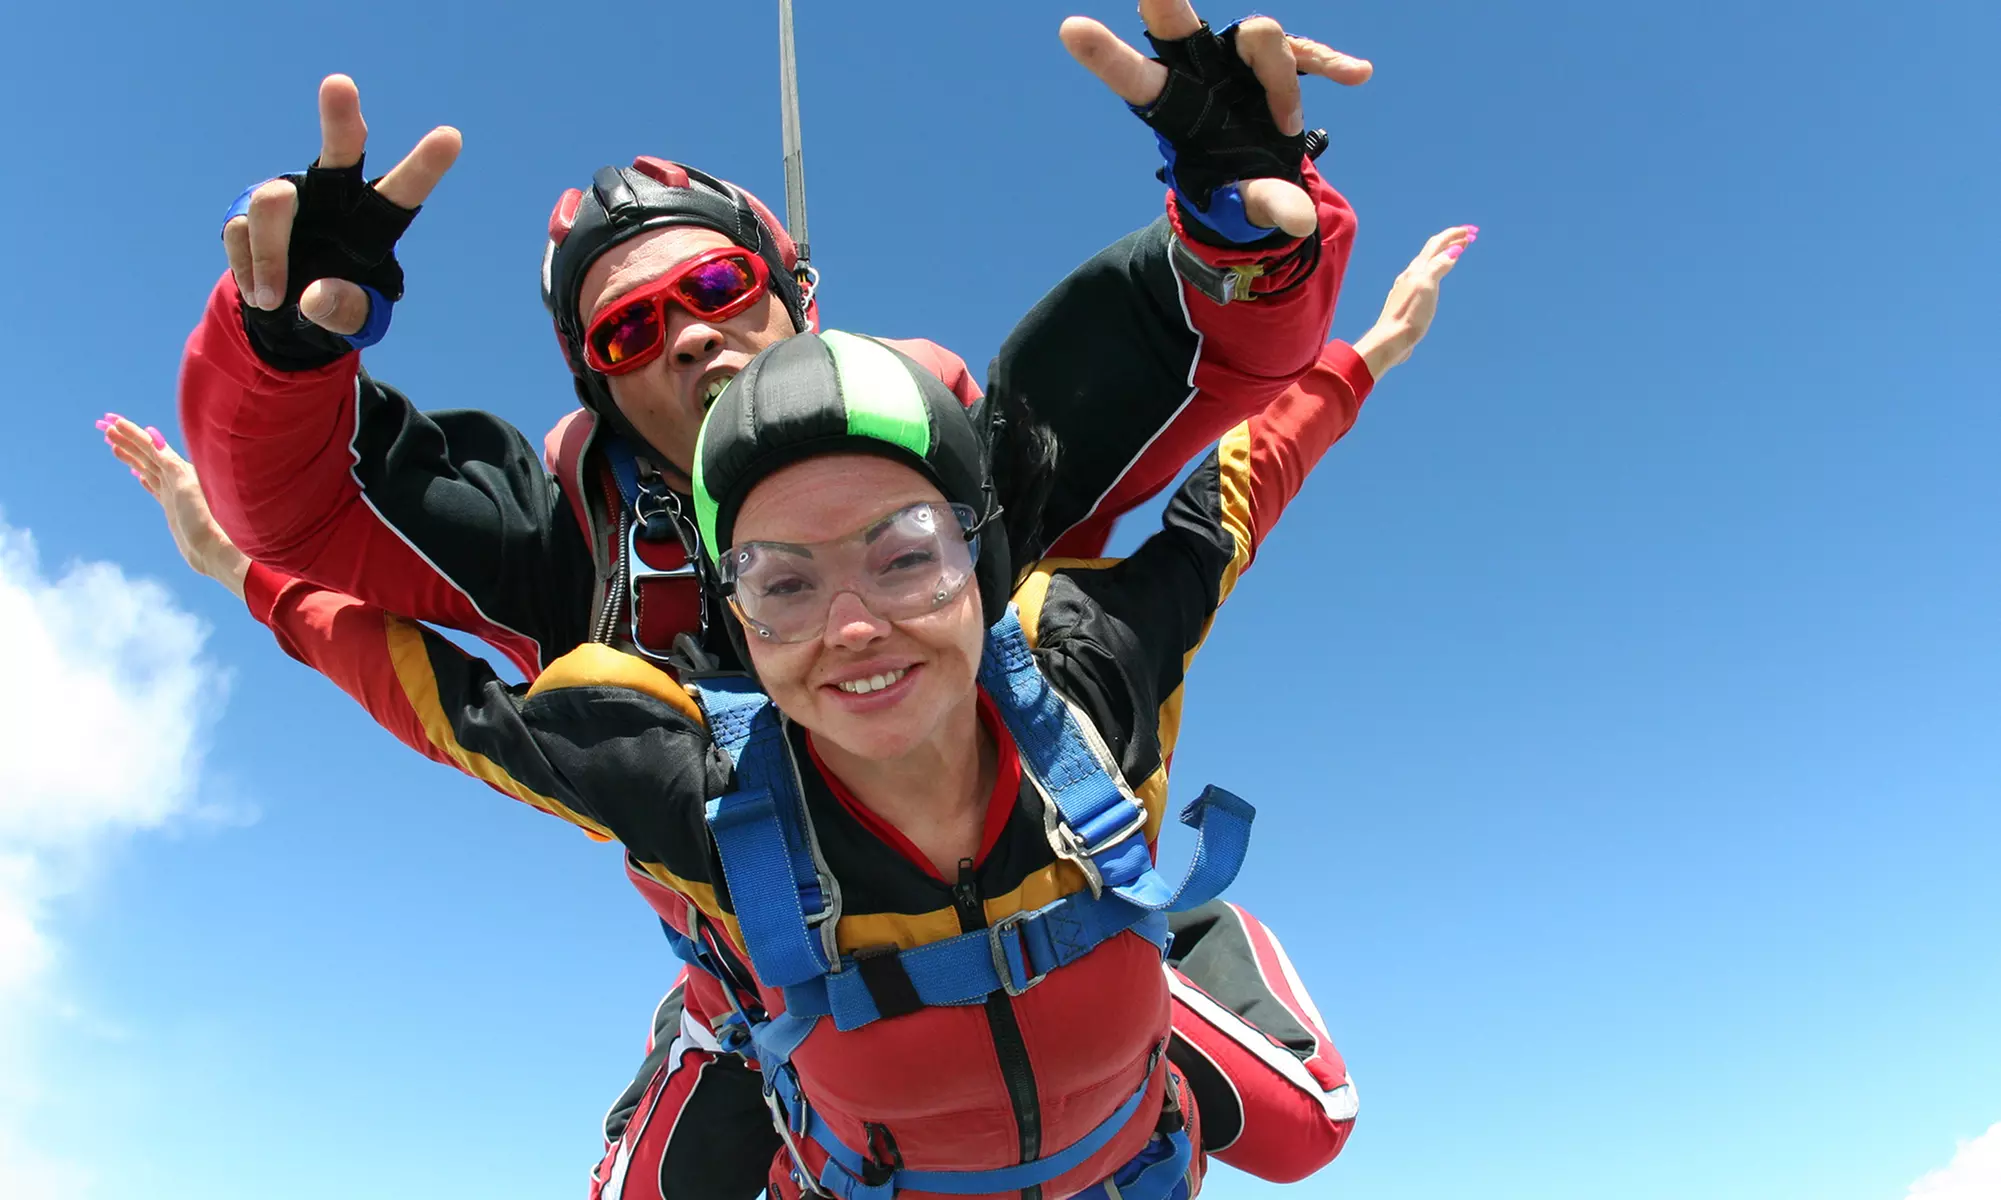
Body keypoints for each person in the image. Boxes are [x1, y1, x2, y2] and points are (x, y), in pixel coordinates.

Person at [108, 218, 1469, 1198]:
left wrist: (1355, 352)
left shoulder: (1081, 662)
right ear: (733, 617)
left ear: (980, 555)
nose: (856, 627)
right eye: (779, 583)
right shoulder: (666, 750)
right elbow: (422, 689)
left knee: (1311, 1125)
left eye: (904, 556)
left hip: (1096, 1041)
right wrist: (255, 572)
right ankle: (729, 1026)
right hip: (796, 1010)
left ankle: (1141, 950)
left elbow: (1235, 490)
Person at [177, 3, 1380, 684]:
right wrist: (278, 356)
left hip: (1049, 923)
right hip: (778, 1010)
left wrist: (1245, 240)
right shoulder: (570, 550)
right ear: (593, 385)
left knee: (1304, 1122)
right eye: (629, 327)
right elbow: (305, 511)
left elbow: (1212, 366)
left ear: (796, 294)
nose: (690, 331)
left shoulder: (963, 446)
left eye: (716, 279)